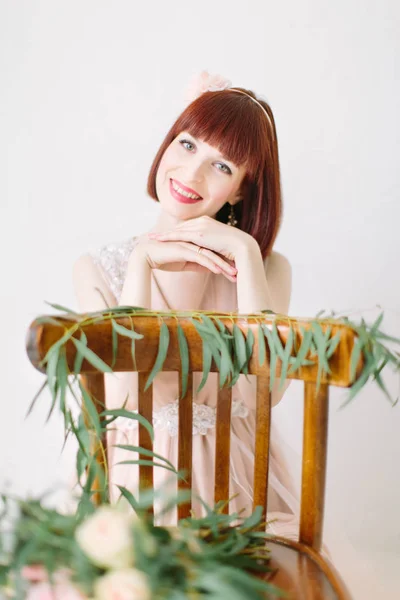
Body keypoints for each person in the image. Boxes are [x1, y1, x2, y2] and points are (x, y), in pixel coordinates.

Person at [72, 71, 301, 541]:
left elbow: (266, 394)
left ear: (240, 189)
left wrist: (245, 254)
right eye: (188, 144)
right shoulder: (98, 267)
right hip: (136, 481)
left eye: (223, 166)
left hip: (236, 481)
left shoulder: (265, 267)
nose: (192, 174)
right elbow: (120, 405)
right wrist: (140, 266)